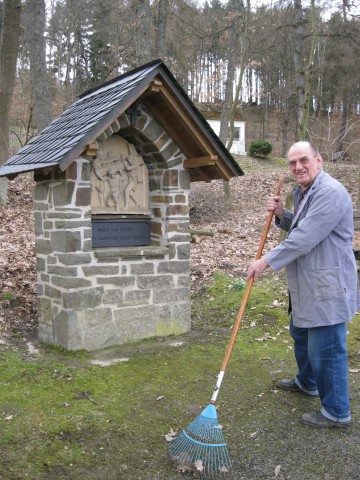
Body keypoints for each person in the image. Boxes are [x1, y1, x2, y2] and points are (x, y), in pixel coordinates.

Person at [247, 141, 360, 428]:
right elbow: (300, 224)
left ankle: (337, 412)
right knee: (300, 334)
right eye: (292, 162)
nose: (298, 166)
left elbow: (306, 237)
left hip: (327, 283)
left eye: (304, 160)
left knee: (327, 349)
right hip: (307, 282)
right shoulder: (303, 191)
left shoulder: (330, 192)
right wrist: (282, 215)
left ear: (319, 161)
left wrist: (266, 262)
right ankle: (308, 382)